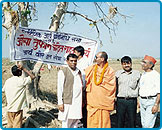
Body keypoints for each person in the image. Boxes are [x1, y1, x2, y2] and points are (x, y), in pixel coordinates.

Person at [85, 51, 116, 128]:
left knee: (104, 121)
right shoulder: (91, 69)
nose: (95, 59)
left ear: (102, 59)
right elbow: (84, 79)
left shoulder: (110, 71)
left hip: (104, 101)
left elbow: (111, 87)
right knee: (92, 121)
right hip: (93, 102)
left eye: (96, 57)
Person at [57, 54, 83, 128]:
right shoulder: (63, 72)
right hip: (67, 102)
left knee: (75, 122)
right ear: (67, 61)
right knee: (66, 123)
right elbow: (60, 88)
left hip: (77, 102)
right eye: (71, 61)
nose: (73, 63)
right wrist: (60, 103)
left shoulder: (79, 72)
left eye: (75, 61)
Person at [115, 56, 141, 128]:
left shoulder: (137, 74)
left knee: (132, 121)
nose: (126, 65)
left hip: (132, 101)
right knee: (120, 121)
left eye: (128, 63)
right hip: (121, 100)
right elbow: (115, 86)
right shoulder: (118, 74)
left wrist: (139, 101)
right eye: (124, 64)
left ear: (131, 63)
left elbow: (140, 87)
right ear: (121, 65)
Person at [139, 55, 160, 128]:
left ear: (150, 65)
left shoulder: (156, 75)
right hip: (142, 101)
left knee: (148, 125)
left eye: (144, 62)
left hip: (151, 101)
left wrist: (156, 104)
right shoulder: (143, 74)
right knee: (143, 123)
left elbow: (159, 92)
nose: (142, 64)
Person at [73, 45, 89, 128]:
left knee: (83, 107)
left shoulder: (85, 62)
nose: (74, 53)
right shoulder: (75, 61)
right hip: (75, 88)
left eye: (75, 52)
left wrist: (83, 87)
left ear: (79, 53)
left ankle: (84, 124)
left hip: (83, 88)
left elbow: (85, 76)